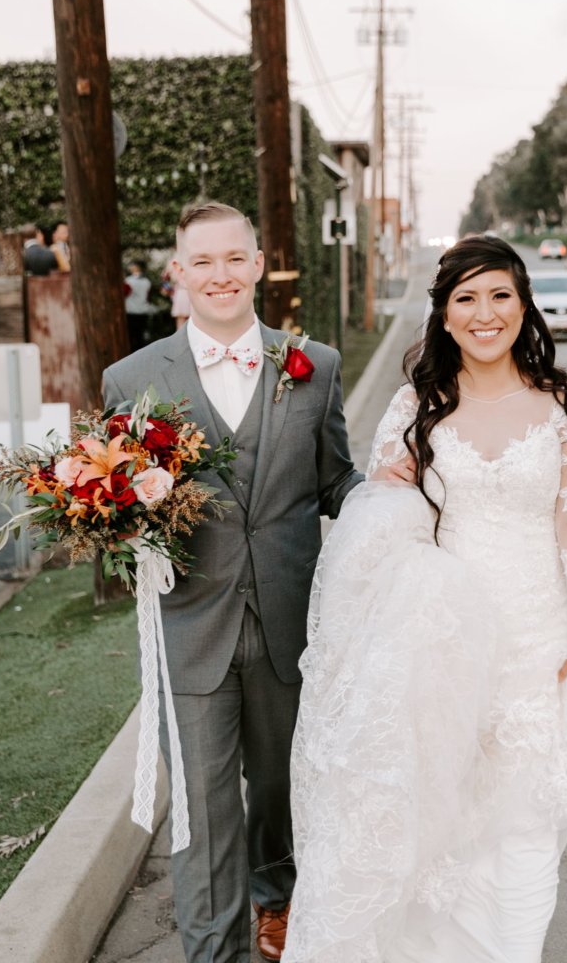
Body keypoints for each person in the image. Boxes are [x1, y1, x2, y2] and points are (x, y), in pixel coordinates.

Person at [284, 235, 567, 963]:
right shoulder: (415, 409)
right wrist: (387, 486)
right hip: (441, 655)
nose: (485, 314)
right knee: (440, 842)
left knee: (523, 840)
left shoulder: (561, 407)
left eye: (499, 295)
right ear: (444, 317)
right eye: (466, 299)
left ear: (522, 305)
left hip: (536, 654)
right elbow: (375, 535)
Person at [102, 201, 384, 963]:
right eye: (203, 262)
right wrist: (112, 528)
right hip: (191, 629)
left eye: (235, 259)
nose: (220, 275)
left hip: (291, 625)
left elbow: (335, 483)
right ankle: (211, 952)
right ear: (178, 275)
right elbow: (114, 501)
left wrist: (404, 498)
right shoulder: (130, 380)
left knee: (283, 789)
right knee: (202, 814)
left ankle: (279, 897)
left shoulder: (313, 366)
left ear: (258, 264)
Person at [123, 259, 152, 351]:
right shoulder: (147, 281)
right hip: (143, 310)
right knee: (140, 335)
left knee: (131, 336)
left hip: (131, 311)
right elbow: (148, 297)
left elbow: (125, 293)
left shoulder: (128, 281)